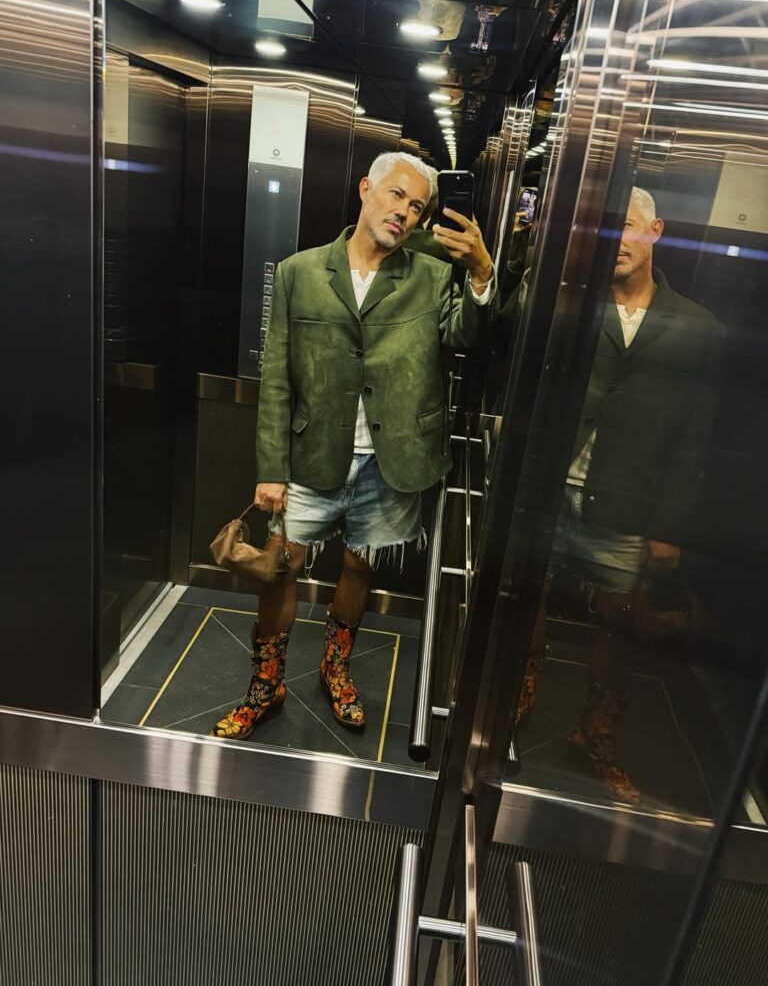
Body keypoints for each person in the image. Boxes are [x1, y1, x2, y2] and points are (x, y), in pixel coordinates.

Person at [212, 152, 498, 740]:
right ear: (366, 189)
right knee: (279, 570)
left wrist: (480, 274)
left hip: (391, 461)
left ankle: (335, 669)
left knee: (360, 567)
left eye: (416, 206)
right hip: (311, 456)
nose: (404, 212)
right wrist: (270, 468)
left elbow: (466, 335)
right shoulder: (298, 272)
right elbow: (277, 377)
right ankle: (265, 686)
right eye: (396, 195)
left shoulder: (432, 275)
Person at [518, 187, 723, 802]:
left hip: (627, 503)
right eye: (606, 229)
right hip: (548, 487)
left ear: (655, 231)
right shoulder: (568, 301)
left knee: (620, 621)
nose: (618, 241)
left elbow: (694, 439)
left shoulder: (698, 329)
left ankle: (597, 738)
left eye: (629, 227)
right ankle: (514, 703)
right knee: (526, 600)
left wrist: (668, 527)